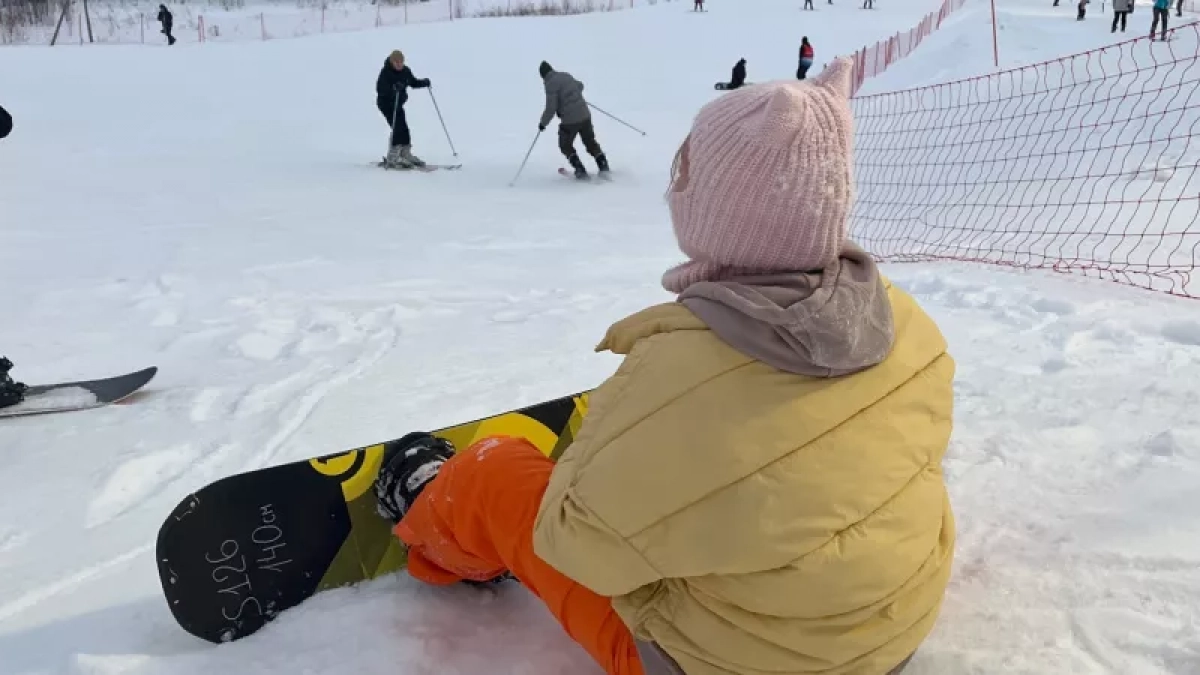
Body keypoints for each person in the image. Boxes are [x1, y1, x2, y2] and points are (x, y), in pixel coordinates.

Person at [372, 56, 956, 675]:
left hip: (731, 664)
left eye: (687, 177)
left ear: (716, 212)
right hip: (891, 635)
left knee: (500, 474)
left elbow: (575, 547)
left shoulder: (682, 368)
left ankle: (430, 509)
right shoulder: (902, 319)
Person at [538, 61, 609, 179]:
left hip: (570, 120)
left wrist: (542, 123)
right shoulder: (565, 75)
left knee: (564, 145)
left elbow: (551, 107)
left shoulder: (550, 84)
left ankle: (580, 170)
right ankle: (604, 167)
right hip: (585, 115)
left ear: (543, 75)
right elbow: (580, 86)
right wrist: (573, 95)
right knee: (590, 141)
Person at [376, 50, 432, 168]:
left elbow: (413, 82)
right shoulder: (386, 72)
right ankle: (393, 156)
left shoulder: (405, 71)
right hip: (386, 104)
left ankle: (405, 153)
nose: (399, 64)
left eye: (401, 62)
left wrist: (424, 83)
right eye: (396, 62)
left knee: (404, 128)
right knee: (397, 127)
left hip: (398, 104)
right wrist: (393, 88)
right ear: (392, 62)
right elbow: (380, 88)